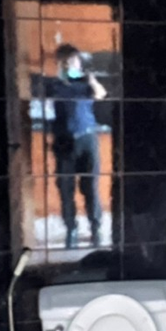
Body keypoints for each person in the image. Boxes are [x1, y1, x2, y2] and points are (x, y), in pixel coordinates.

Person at [45, 43, 106, 248]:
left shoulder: (85, 83)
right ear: (59, 64)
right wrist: (62, 78)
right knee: (65, 188)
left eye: (74, 61)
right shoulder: (54, 85)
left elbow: (101, 94)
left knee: (90, 187)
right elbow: (47, 101)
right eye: (66, 62)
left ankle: (95, 229)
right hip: (64, 139)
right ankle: (71, 229)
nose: (71, 65)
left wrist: (91, 80)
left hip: (87, 138)